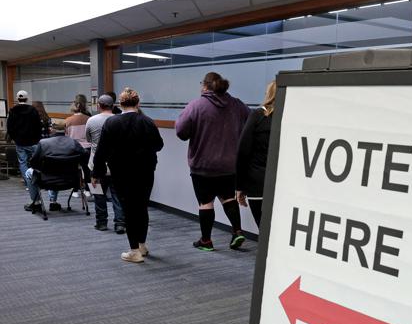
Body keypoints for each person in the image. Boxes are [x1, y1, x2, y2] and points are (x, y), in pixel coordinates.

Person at [176, 72, 250, 251]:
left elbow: (181, 132)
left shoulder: (196, 105)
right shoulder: (237, 105)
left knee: (205, 202)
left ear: (205, 86)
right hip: (229, 165)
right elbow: (250, 123)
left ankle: (206, 241)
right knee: (228, 198)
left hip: (203, 165)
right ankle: (237, 232)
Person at [92, 88, 164, 263]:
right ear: (138, 103)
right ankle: (142, 245)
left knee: (130, 210)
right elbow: (159, 145)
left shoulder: (111, 123)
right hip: (146, 171)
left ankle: (134, 251)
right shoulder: (147, 121)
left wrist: (97, 173)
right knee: (142, 208)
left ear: (120, 104)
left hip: (122, 173)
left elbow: (101, 151)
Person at [236, 80, 275, 228]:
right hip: (282, 183)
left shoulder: (258, 115)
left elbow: (243, 151)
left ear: (269, 94)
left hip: (258, 182)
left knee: (264, 227)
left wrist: (240, 186)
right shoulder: (290, 117)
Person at [86, 94, 125, 233]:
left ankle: (101, 222)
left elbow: (89, 138)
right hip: (117, 164)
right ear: (113, 105)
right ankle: (120, 223)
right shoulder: (119, 120)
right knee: (117, 194)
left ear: (99, 105)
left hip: (96, 165)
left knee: (98, 193)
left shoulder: (91, 120)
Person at [25, 131, 88, 213]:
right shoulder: (73, 142)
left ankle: (37, 203)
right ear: (65, 131)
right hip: (70, 180)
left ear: (51, 130)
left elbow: (34, 162)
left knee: (29, 172)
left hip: (47, 180)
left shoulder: (44, 143)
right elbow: (85, 155)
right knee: (57, 170)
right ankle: (53, 202)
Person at [7, 90, 42, 209]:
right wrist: (37, 138)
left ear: (17, 98)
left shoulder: (13, 111)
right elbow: (38, 126)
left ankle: (28, 182)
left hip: (20, 142)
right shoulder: (33, 110)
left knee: (23, 162)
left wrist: (14, 137)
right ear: (27, 99)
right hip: (33, 141)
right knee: (37, 161)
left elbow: (10, 127)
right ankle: (37, 179)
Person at [66, 95, 92, 199]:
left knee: (74, 169)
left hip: (74, 148)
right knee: (87, 169)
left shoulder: (68, 120)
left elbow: (67, 136)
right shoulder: (89, 119)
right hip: (87, 148)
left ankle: (75, 190)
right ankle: (88, 190)